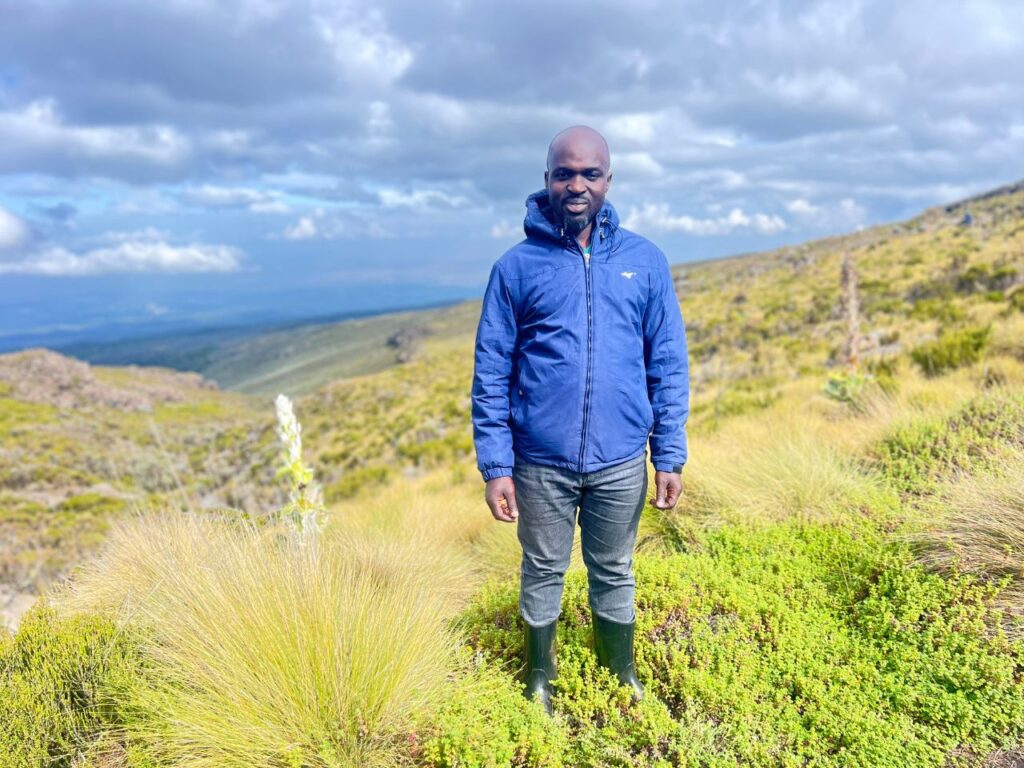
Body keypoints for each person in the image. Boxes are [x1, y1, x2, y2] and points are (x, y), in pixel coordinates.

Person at [471, 125, 689, 714]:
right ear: (546, 180)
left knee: (614, 568)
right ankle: (538, 678)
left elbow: (667, 363)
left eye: (589, 174)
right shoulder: (515, 268)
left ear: (607, 180)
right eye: (564, 173)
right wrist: (496, 466)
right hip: (540, 462)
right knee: (543, 568)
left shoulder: (645, 262)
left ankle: (619, 672)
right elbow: (491, 373)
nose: (576, 185)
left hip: (621, 460)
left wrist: (668, 454)